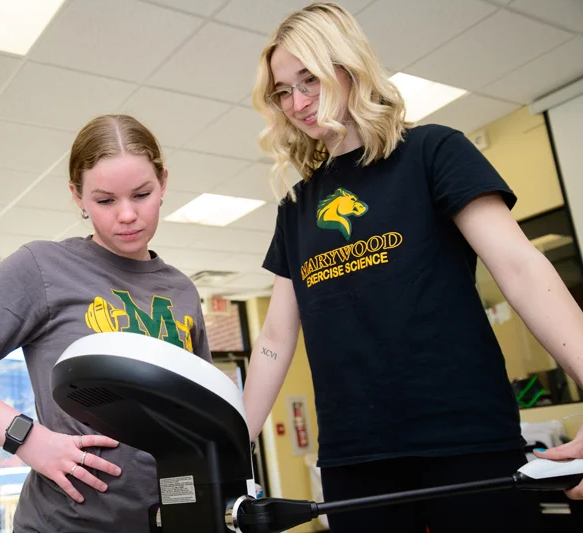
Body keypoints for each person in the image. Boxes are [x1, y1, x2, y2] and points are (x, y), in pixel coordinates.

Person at [241, 3, 583, 532]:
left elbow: (520, 268)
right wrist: (233, 443)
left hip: (465, 442)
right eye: (283, 91)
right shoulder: (297, 207)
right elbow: (274, 337)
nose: (298, 103)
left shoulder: (432, 152)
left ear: (350, 68)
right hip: (355, 461)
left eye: (309, 79)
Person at [0, 114, 211, 533]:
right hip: (67, 522)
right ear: (78, 197)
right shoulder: (43, 267)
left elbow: (203, 413)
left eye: (142, 194)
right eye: (104, 200)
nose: (126, 215)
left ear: (163, 183)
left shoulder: (182, 291)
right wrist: (27, 440)